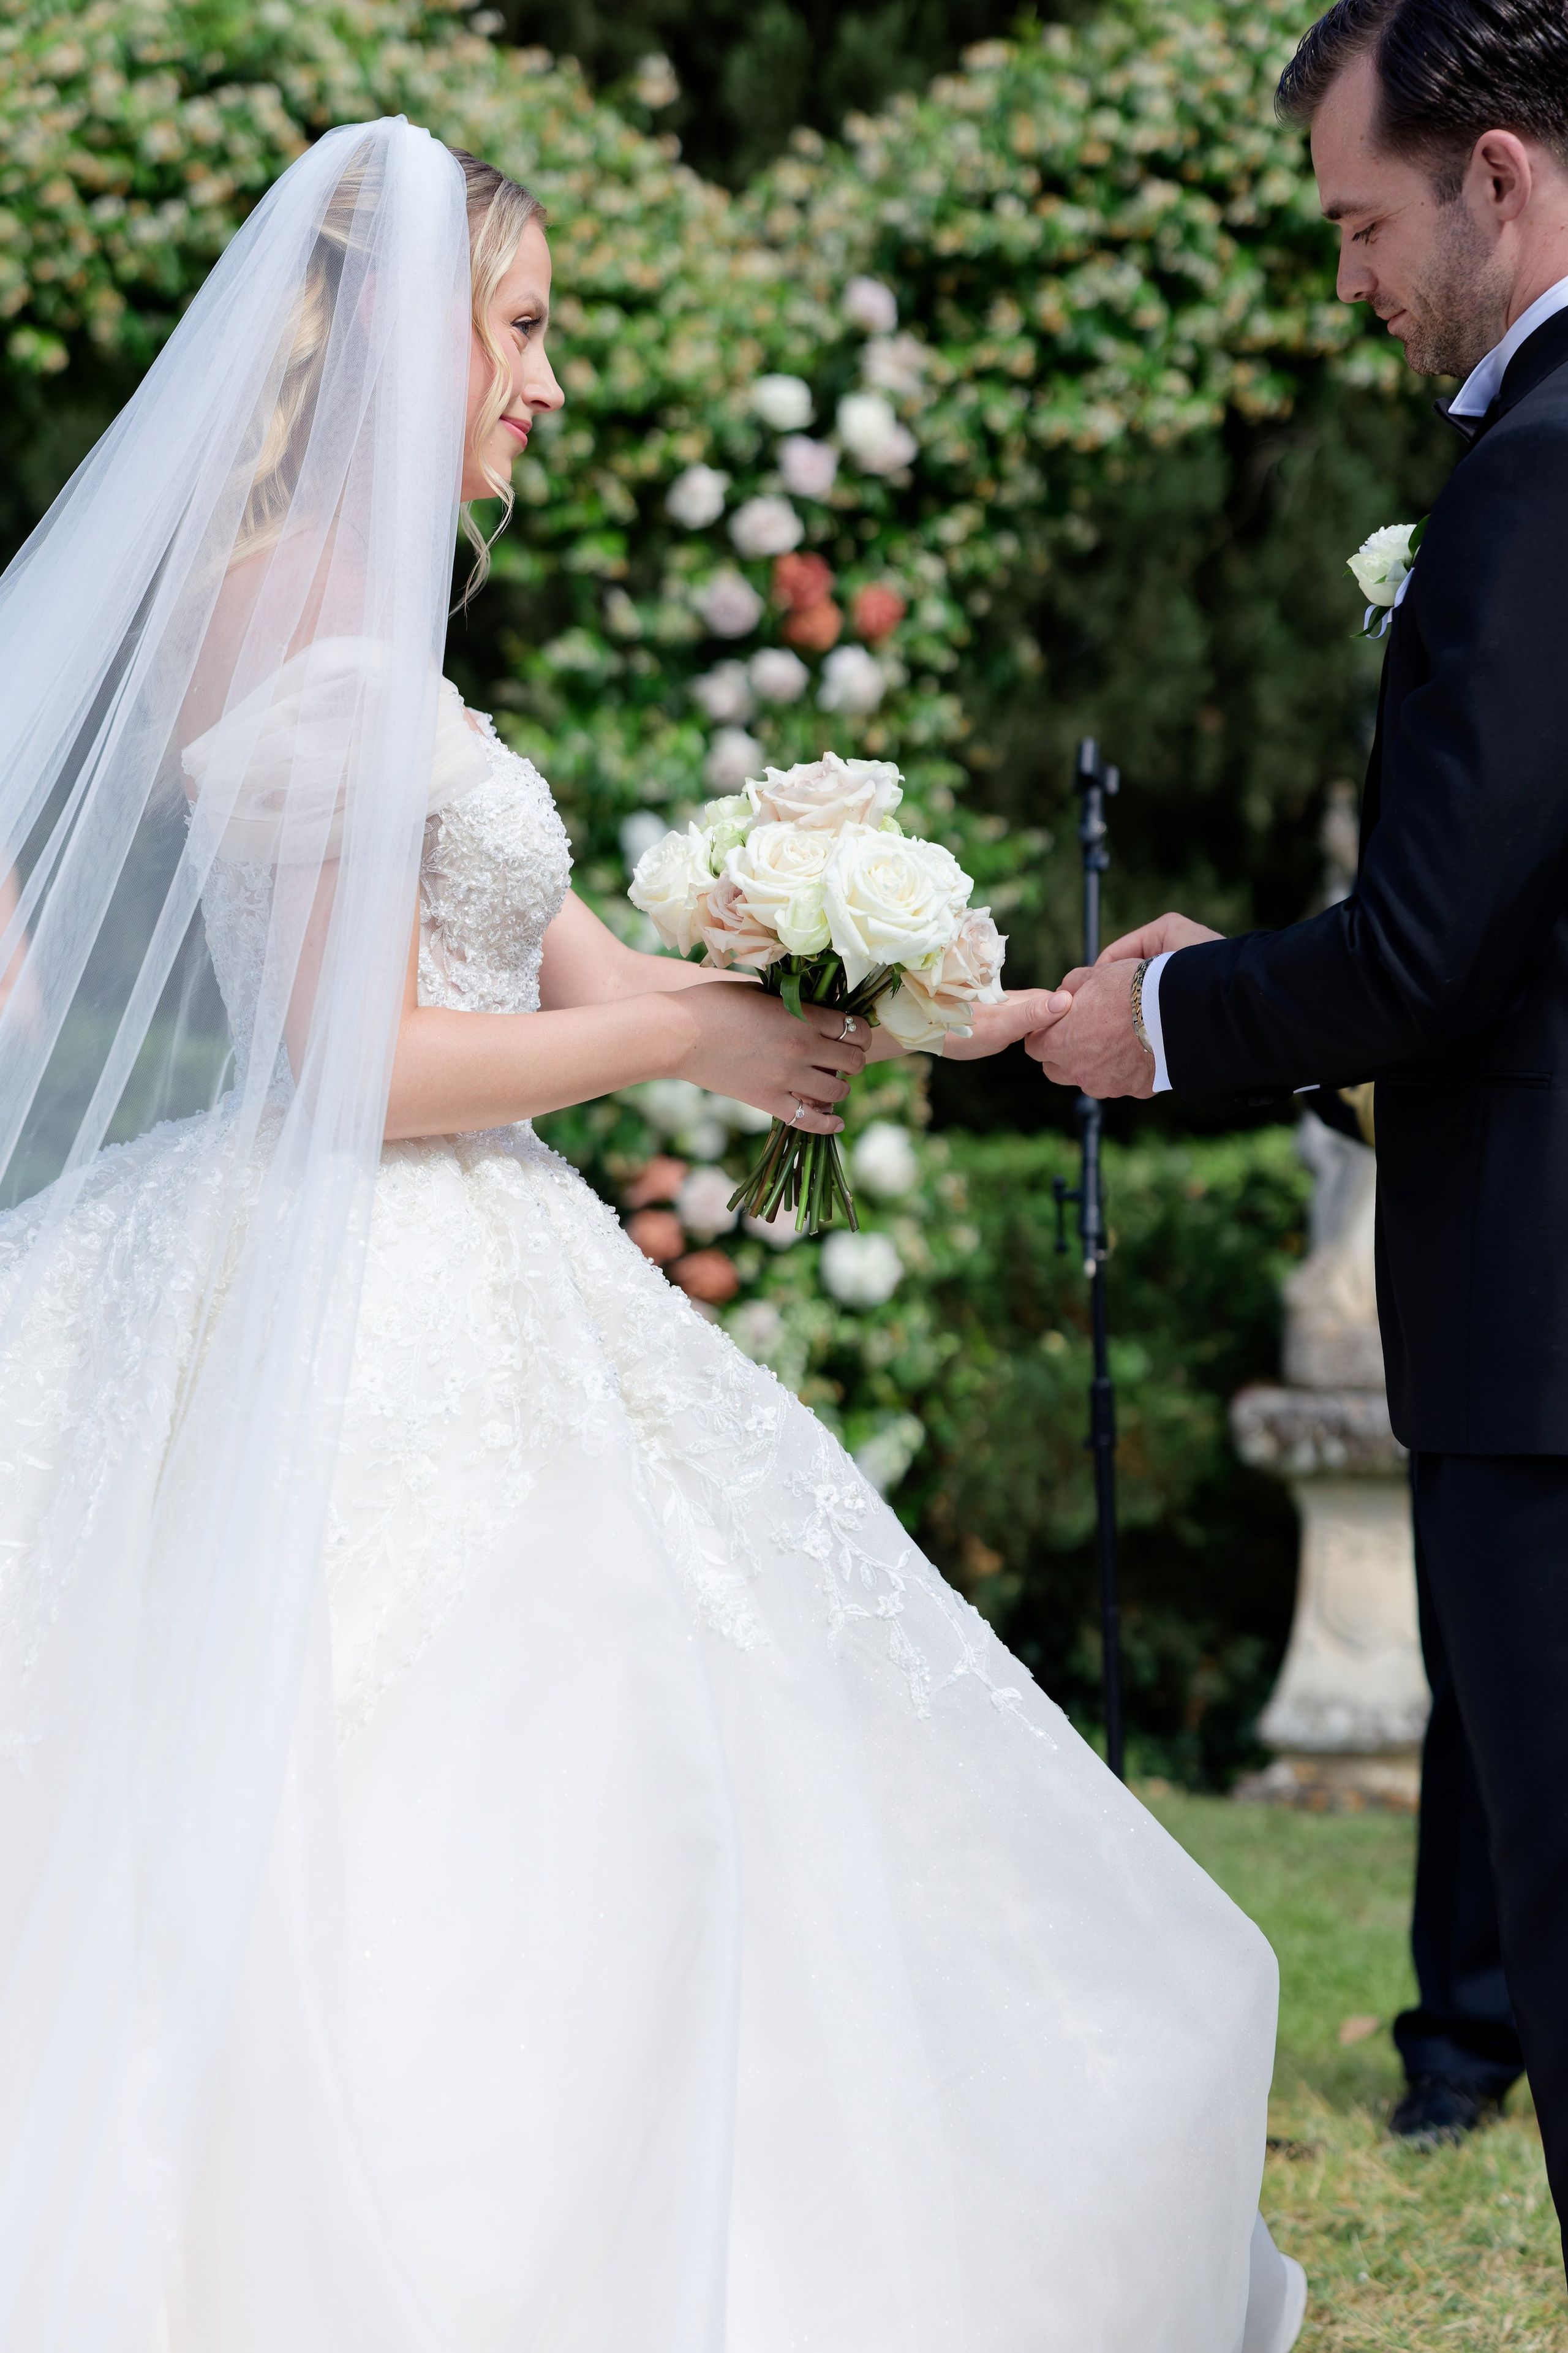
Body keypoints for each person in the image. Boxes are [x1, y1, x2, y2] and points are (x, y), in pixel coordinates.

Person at [0, 119, 1306, 2351]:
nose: (551, 381)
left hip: (482, 1252)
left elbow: (578, 974)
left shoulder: (374, 616)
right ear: (403, 332)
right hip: (367, 1284)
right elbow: (357, 1072)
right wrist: (680, 1044)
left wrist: (931, 1003)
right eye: (521, 325)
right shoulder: (293, 607)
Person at [1031, 0, 1568, 2257]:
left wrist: (1163, 1019)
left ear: (1503, 177)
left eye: (1366, 221)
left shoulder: (1542, 466)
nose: (1352, 276)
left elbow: (1437, 944)